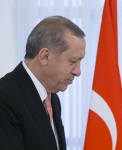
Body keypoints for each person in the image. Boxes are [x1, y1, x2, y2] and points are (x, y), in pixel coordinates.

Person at [0, 16, 86, 150]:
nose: (78, 71)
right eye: (73, 61)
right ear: (45, 56)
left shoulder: (52, 99)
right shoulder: (4, 97)